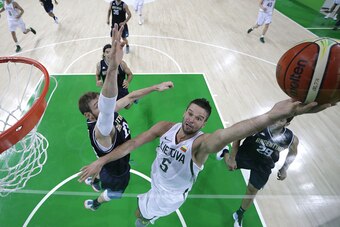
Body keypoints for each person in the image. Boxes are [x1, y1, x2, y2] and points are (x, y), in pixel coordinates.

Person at [78, 92, 330, 225]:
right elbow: (132, 143)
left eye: (198, 118)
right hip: (157, 184)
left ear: (204, 123)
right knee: (141, 209)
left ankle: (147, 220)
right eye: (190, 113)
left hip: (168, 196)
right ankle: (148, 216)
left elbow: (231, 133)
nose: (191, 119)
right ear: (184, 112)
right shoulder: (166, 127)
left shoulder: (200, 144)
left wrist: (271, 116)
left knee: (139, 215)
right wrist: (101, 161)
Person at [78, 23, 174, 211]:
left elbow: (130, 96)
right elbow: (107, 107)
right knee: (116, 193)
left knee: (100, 165)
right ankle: (96, 203)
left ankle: (95, 178)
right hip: (116, 171)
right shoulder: (101, 130)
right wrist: (112, 69)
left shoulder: (106, 113)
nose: (106, 105)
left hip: (108, 160)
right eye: (98, 105)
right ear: (89, 115)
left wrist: (156, 87)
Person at [216, 117, 298, 227]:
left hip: (264, 165)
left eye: (281, 120)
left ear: (287, 124)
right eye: (277, 117)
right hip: (247, 155)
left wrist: (284, 169)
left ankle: (239, 214)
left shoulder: (290, 138)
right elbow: (238, 136)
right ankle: (225, 151)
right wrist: (232, 157)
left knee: (252, 190)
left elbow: (293, 153)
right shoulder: (259, 125)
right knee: (230, 166)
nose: (277, 120)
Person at [95, 44, 135, 109]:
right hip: (108, 89)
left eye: (111, 52)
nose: (109, 54)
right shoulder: (100, 65)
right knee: (108, 108)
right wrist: (98, 81)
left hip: (120, 88)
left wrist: (127, 82)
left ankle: (133, 96)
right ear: (104, 54)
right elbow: (97, 75)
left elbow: (130, 74)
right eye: (107, 52)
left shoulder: (121, 63)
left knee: (127, 107)